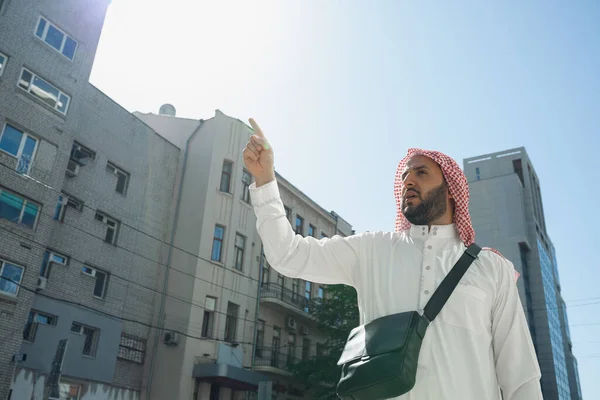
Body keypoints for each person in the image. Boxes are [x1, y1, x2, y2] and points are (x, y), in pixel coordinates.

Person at [243, 118, 543, 400]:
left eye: (421, 173)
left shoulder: (491, 268)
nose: (408, 181)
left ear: (451, 191)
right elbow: (288, 254)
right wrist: (265, 179)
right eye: (404, 176)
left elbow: (520, 376)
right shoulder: (372, 249)